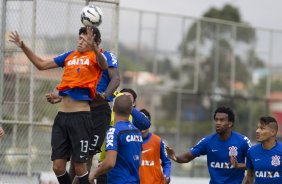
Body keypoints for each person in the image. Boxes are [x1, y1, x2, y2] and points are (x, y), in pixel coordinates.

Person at [9, 26, 108, 184]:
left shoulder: (97, 57)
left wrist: (96, 49)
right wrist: (23, 46)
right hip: (62, 118)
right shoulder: (70, 55)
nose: (80, 40)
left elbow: (104, 66)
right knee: (58, 166)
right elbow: (41, 64)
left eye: (85, 38)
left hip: (80, 118)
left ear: (94, 42)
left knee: (80, 166)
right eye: (80, 37)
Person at [46, 39, 120, 183]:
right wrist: (61, 98)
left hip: (99, 113)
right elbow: (77, 88)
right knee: (77, 159)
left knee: (85, 157)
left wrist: (104, 95)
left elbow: (116, 79)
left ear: (97, 41)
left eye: (88, 38)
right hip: (79, 112)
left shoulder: (107, 57)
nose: (82, 41)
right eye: (81, 37)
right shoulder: (79, 59)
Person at [166, 106, 251, 184]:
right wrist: (175, 157)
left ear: (230, 123)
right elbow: (188, 157)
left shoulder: (242, 141)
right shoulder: (208, 141)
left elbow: (256, 163)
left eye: (222, 120)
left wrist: (238, 166)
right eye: (216, 120)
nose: (218, 123)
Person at [96, 88, 151, 184]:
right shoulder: (110, 114)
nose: (124, 98)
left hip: (125, 167)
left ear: (133, 103)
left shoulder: (135, 119)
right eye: (121, 97)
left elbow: (146, 124)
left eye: (128, 98)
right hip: (105, 163)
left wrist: (127, 106)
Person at [242, 116, 282, 184]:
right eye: (257, 128)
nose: (257, 131)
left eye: (262, 128)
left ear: (273, 132)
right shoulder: (252, 151)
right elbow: (249, 176)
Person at [139, 109, 171, 184]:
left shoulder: (158, 141)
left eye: (144, 122)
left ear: (149, 123)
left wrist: (166, 175)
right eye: (140, 122)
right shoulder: (130, 141)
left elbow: (167, 162)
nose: (142, 124)